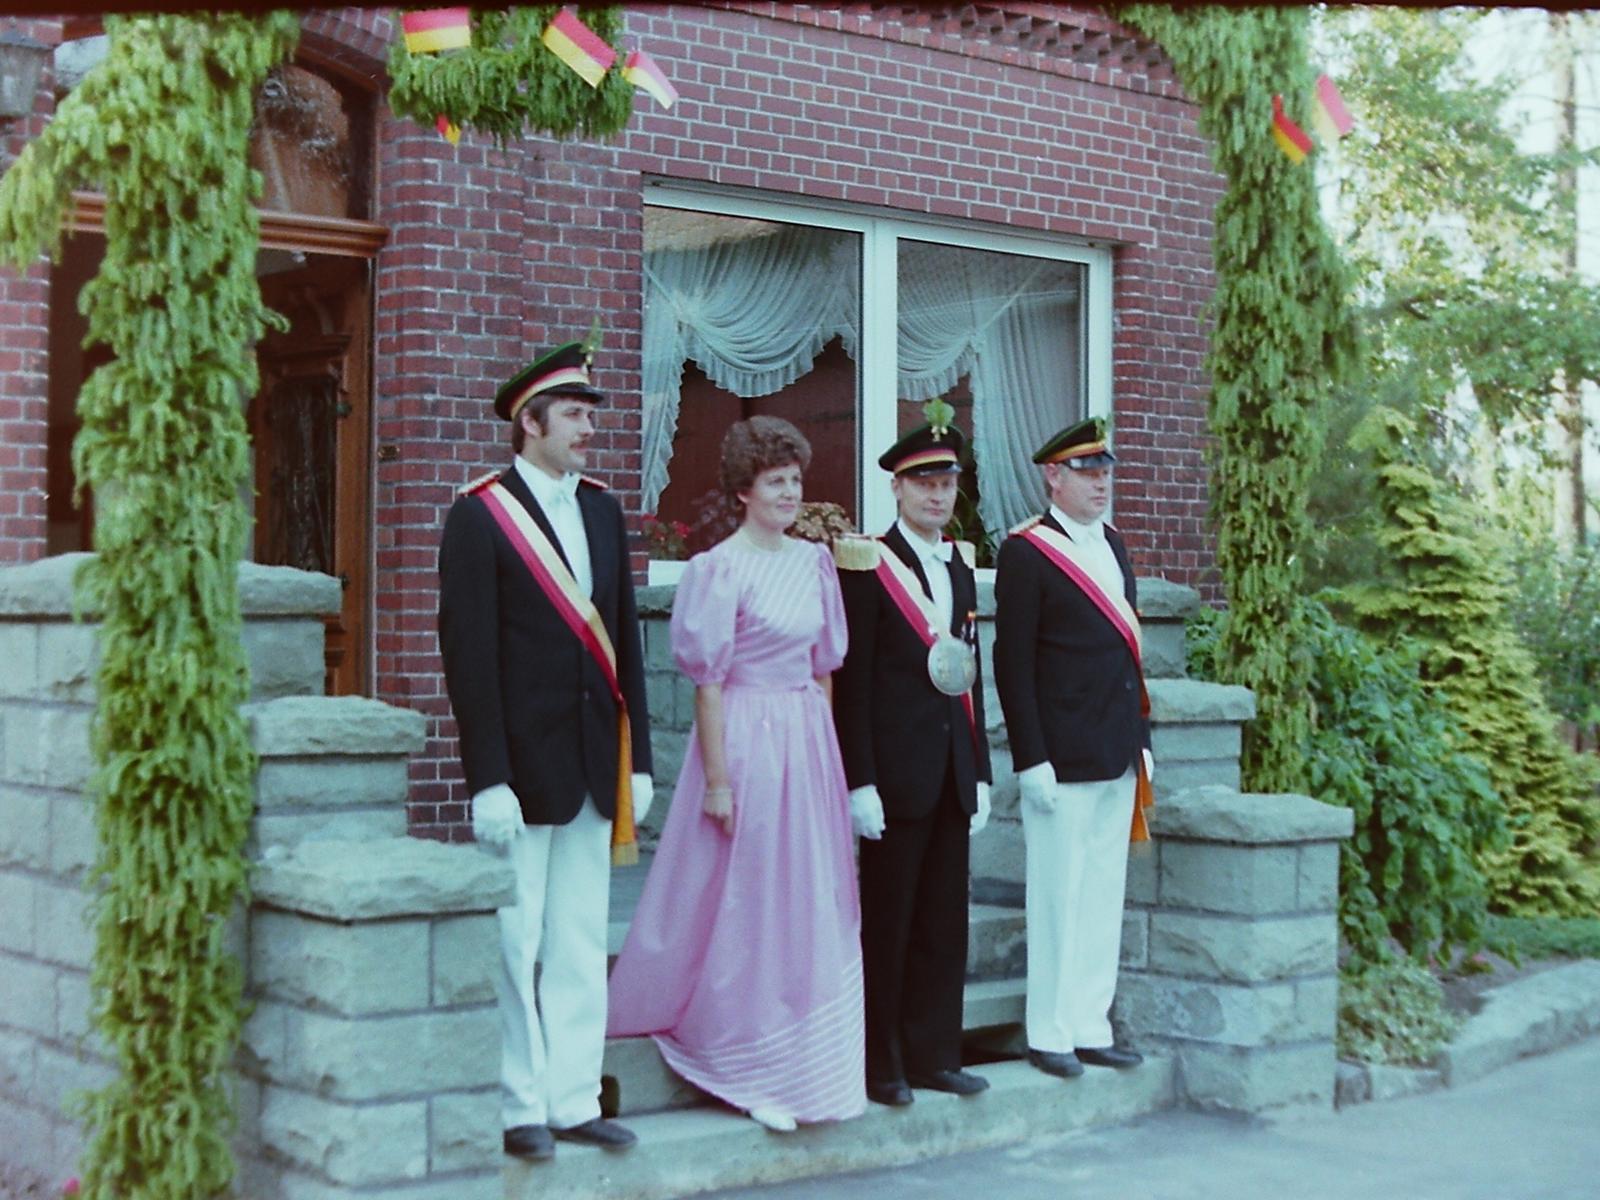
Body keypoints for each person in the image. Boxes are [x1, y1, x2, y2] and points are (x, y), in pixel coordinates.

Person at [607, 415, 866, 1133]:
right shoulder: (717, 568)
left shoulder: (814, 564)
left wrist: (825, 762)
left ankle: (812, 1065)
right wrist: (718, 781)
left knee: (809, 897)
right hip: (746, 737)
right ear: (745, 491)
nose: (789, 494)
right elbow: (709, 684)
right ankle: (748, 1060)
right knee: (754, 898)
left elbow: (823, 669)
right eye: (775, 482)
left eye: (795, 481)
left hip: (805, 742)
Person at [437, 339, 654, 1162]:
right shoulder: (479, 514)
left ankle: (573, 1097)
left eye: (590, 413)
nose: (588, 428)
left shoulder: (601, 510)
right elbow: (470, 657)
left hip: (595, 762)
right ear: (530, 424)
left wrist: (638, 761)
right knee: (515, 939)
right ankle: (518, 1103)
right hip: (522, 772)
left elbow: (624, 639)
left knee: (578, 941)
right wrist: (486, 778)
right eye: (573, 414)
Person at [832, 403, 993, 1108]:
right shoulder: (867, 564)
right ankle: (881, 1063)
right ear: (896, 488)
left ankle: (935, 1055)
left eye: (946, 483)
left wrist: (980, 770)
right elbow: (855, 684)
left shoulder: (960, 566)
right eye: (923, 483)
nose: (937, 495)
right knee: (890, 925)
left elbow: (967, 674)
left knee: (943, 925)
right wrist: (859, 780)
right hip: (894, 778)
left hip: (950, 770)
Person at [992, 415, 1153, 1081]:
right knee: (1058, 897)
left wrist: (1142, 739)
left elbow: (1126, 656)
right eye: (1087, 472)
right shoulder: (1026, 552)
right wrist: (1030, 757)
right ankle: (1050, 1030)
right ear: (1053, 477)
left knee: (1102, 894)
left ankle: (1091, 1024)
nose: (1100, 483)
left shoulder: (1113, 544)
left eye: (1105, 470)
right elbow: (1013, 664)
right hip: (1059, 756)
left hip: (1115, 748)